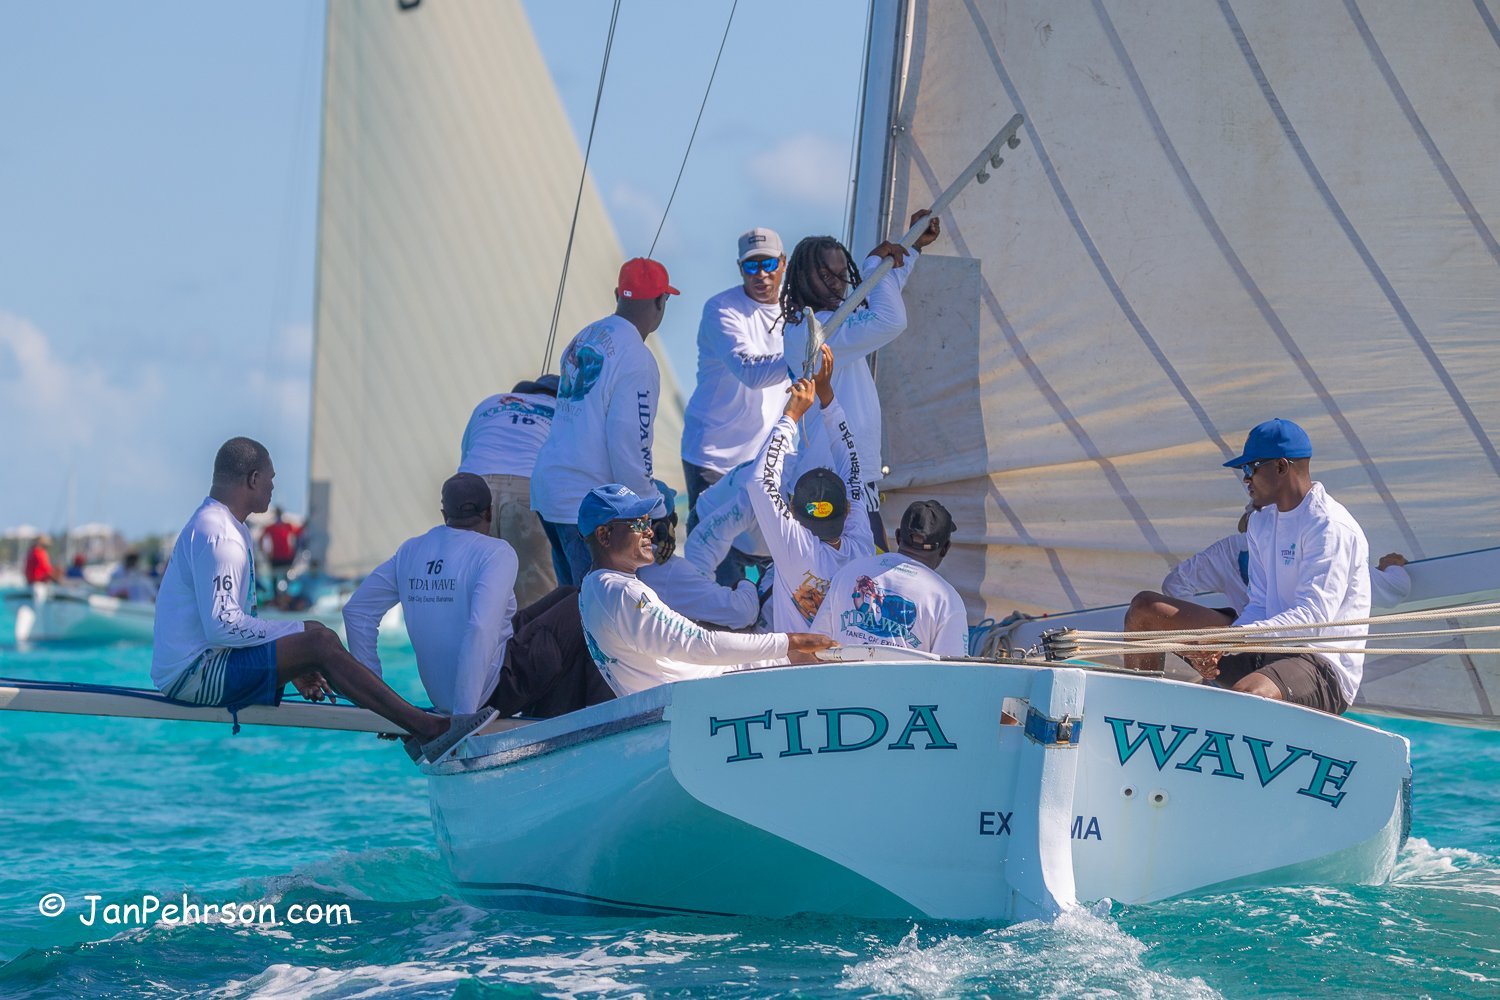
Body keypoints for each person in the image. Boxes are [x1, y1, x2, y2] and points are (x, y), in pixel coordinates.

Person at [152, 437, 488, 760]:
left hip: (198, 666)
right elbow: (222, 626)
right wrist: (299, 637)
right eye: (270, 479)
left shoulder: (221, 523)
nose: (272, 488)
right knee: (319, 641)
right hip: (195, 674)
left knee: (313, 642)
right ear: (253, 479)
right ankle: (426, 727)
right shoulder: (220, 534)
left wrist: (291, 661)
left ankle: (397, 716)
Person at [1124, 419, 1370, 715]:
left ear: (1280, 467)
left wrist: (1227, 640)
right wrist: (1217, 649)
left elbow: (1314, 620)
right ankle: (1137, 718)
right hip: (1264, 648)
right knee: (1146, 610)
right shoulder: (1261, 523)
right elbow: (1259, 606)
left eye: (1251, 468)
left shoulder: (1328, 526)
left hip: (1320, 664)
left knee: (1246, 696)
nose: (1246, 479)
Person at [344, 474, 612, 721]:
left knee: (566, 594)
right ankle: (608, 718)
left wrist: (374, 699)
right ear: (489, 512)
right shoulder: (495, 552)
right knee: (588, 600)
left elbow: (356, 611)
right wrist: (464, 716)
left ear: (444, 514)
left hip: (451, 693)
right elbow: (480, 628)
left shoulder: (410, 550)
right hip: (491, 694)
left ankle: (556, 710)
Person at [578, 483, 834, 696]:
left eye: (648, 522)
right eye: (637, 525)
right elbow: (702, 644)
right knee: (804, 657)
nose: (650, 532)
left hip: (687, 693)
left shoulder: (589, 587)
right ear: (604, 535)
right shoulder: (626, 594)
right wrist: (790, 641)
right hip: (698, 700)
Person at [779, 211, 940, 545]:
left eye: (842, 274)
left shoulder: (831, 326)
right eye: (826, 275)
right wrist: (871, 266)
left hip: (852, 480)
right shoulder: (816, 332)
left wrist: (911, 248)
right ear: (804, 276)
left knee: (865, 582)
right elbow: (889, 319)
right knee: (849, 584)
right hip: (829, 482)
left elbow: (880, 298)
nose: (837, 282)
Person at [531, 259, 676, 586]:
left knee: (573, 609)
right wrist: (656, 514)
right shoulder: (637, 359)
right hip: (585, 506)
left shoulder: (585, 335)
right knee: (599, 619)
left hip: (549, 491)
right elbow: (630, 448)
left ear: (617, 294)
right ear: (659, 302)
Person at [749, 345, 876, 630]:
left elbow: (759, 481)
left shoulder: (793, 546)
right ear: (847, 509)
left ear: (791, 510)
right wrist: (827, 398)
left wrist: (791, 417)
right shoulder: (861, 546)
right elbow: (852, 465)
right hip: (849, 667)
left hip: (798, 670)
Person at [680, 227, 790, 521]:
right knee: (716, 562)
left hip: (767, 461)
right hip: (714, 457)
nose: (761, 275)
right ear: (740, 269)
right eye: (751, 266)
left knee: (774, 558)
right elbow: (750, 372)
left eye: (768, 264)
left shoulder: (796, 310)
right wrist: (807, 352)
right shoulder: (720, 309)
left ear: (783, 263)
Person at [1164, 504, 1411, 615]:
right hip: (1278, 664)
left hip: (1257, 660)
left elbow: (1176, 584)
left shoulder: (1231, 550)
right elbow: (1396, 589)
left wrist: (1212, 637)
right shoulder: (1315, 547)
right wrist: (1392, 567)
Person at [812, 500, 968, 657]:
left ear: (899, 536)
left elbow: (816, 645)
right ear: (945, 548)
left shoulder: (848, 573)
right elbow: (952, 673)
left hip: (843, 681)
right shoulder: (946, 599)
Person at [458, 374, 561, 608]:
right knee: (536, 608)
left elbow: (466, 458)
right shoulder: (565, 412)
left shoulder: (491, 403)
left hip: (472, 489)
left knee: (474, 601)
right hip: (529, 489)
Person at [637, 480, 759, 629]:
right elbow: (742, 614)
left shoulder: (615, 560)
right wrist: (746, 584)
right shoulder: (671, 572)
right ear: (665, 526)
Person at [259, 507, 302, 595]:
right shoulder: (270, 527)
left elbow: (299, 532)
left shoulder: (287, 526)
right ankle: (276, 597)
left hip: (286, 557)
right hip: (276, 557)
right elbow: (261, 539)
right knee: (274, 578)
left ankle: (285, 597)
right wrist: (264, 553)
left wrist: (295, 550)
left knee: (286, 578)